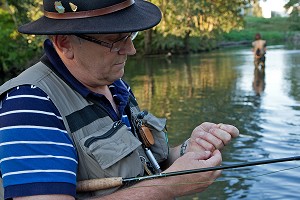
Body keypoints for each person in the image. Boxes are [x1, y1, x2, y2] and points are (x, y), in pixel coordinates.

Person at [0, 0, 239, 199]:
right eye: (116, 40)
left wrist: (187, 151)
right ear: (65, 43)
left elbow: (147, 166)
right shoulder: (29, 104)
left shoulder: (115, 84)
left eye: (131, 35)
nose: (131, 49)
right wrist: (170, 185)